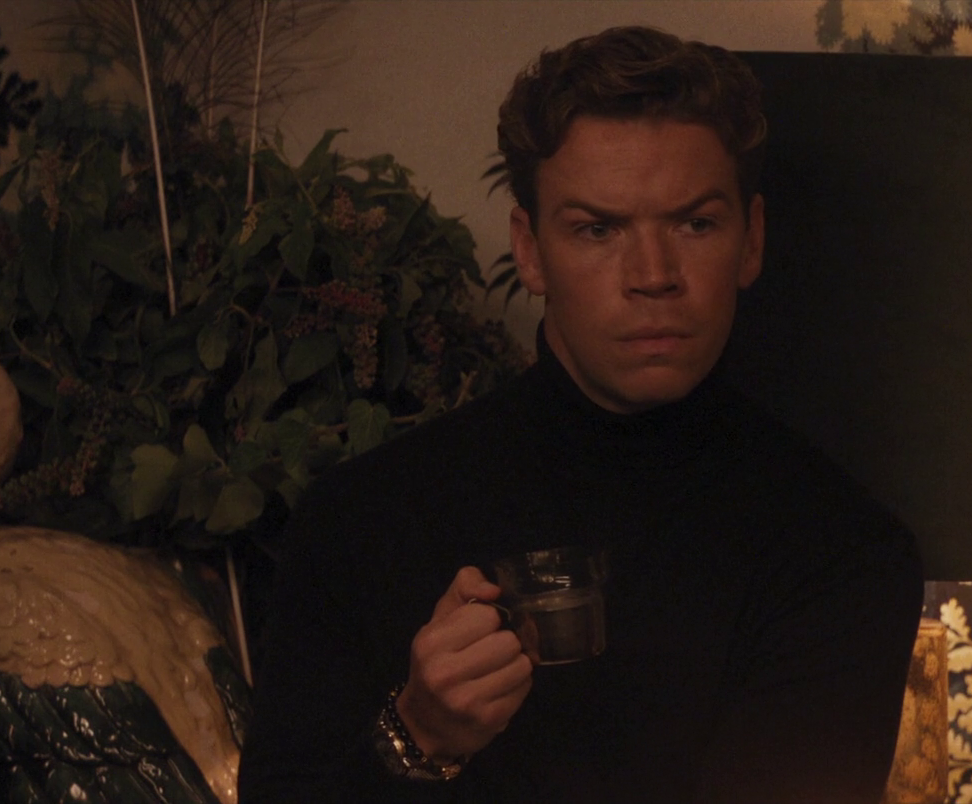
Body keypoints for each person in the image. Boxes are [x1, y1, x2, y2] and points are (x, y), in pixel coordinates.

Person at [237, 26, 923, 803]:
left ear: (751, 240)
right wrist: (417, 737)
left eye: (695, 223)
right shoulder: (362, 520)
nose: (653, 275)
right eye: (599, 229)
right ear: (530, 251)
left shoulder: (842, 549)